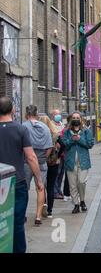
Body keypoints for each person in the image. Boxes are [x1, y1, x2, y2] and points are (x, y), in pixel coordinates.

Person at [0, 97, 44, 253]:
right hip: (16, 183)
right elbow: (31, 157)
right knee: (17, 223)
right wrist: (39, 180)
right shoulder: (20, 130)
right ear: (13, 110)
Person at [22, 105, 53, 226]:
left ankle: (23, 214)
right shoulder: (45, 127)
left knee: (24, 189)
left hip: (26, 162)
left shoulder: (23, 127)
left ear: (26, 115)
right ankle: (38, 217)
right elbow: (49, 147)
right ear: (37, 114)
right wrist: (43, 158)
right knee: (40, 188)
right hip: (41, 162)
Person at [62, 111, 94, 213]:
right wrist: (72, 139)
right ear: (71, 119)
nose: (76, 119)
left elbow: (90, 144)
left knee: (81, 182)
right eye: (74, 117)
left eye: (77, 117)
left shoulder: (86, 131)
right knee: (72, 185)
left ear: (81, 119)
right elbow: (64, 144)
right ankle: (76, 204)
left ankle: (82, 201)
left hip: (83, 162)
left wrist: (79, 139)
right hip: (70, 162)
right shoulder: (67, 132)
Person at [39, 115, 65, 218]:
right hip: (53, 163)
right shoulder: (55, 134)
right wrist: (57, 156)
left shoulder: (39, 133)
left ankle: (42, 208)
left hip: (41, 162)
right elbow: (63, 146)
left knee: (41, 187)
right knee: (50, 187)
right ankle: (50, 211)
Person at [51, 109, 66, 200]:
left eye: (59, 114)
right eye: (56, 114)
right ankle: (55, 192)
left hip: (63, 152)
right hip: (57, 152)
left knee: (61, 173)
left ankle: (58, 189)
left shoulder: (61, 124)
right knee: (57, 172)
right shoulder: (51, 125)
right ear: (52, 115)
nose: (58, 116)